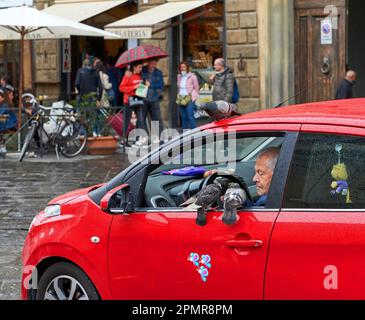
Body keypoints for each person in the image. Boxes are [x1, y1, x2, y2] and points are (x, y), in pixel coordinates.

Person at [119, 62, 149, 147]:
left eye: (141, 67)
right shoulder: (128, 75)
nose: (140, 69)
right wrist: (133, 87)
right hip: (128, 100)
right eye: (139, 67)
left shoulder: (141, 76)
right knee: (127, 121)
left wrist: (146, 85)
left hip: (138, 99)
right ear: (134, 67)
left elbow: (142, 88)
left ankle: (142, 139)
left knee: (141, 119)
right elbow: (121, 88)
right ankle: (123, 140)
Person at [75, 58, 103, 136]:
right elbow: (100, 87)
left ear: (83, 65)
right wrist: (98, 99)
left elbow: (77, 83)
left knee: (81, 115)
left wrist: (80, 92)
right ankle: (95, 132)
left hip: (82, 97)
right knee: (94, 115)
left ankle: (82, 133)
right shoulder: (96, 72)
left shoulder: (80, 71)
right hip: (93, 97)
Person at [141, 59, 164, 139]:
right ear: (148, 63)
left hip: (154, 98)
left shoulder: (158, 72)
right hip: (143, 98)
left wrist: (150, 84)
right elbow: (139, 82)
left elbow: (161, 85)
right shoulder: (142, 71)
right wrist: (144, 83)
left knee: (156, 119)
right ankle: (144, 137)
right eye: (152, 64)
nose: (153, 66)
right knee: (141, 119)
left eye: (155, 64)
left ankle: (158, 137)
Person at [176, 61, 200, 130]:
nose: (182, 69)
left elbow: (196, 88)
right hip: (181, 98)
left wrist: (193, 96)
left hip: (189, 98)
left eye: (184, 67)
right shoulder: (179, 76)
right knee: (183, 117)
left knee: (190, 116)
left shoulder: (192, 76)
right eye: (181, 67)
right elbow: (179, 87)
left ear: (187, 68)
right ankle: (185, 134)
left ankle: (194, 133)